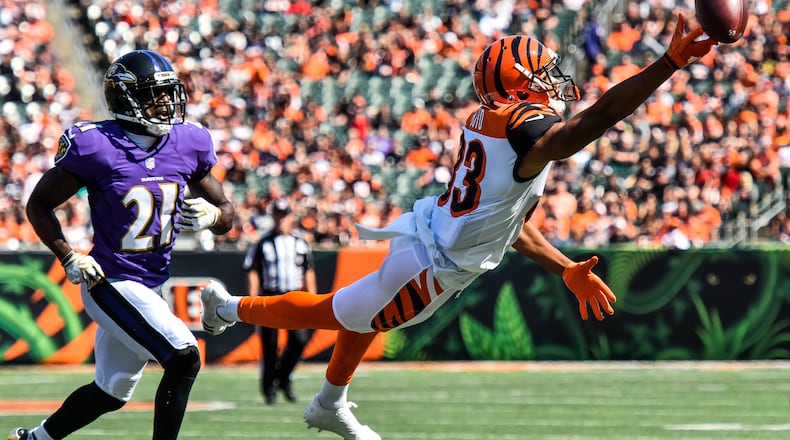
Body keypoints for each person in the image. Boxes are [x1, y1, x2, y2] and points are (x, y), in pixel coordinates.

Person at [200, 14, 714, 440]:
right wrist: (667, 64)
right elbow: (587, 126)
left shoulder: (495, 124)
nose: (554, 78)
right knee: (338, 312)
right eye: (543, 71)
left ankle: (329, 401)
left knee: (363, 312)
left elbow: (510, 225)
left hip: (432, 235)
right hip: (436, 264)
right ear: (520, 83)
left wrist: (563, 269)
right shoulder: (521, 127)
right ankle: (225, 307)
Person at [12, 50, 235, 440]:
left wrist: (216, 217)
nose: (167, 103)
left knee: (110, 391)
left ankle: (33, 439)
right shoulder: (97, 145)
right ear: (126, 99)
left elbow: (226, 211)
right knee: (183, 356)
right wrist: (68, 254)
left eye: (169, 93)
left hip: (151, 285)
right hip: (110, 281)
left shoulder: (188, 141)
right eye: (155, 95)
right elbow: (39, 204)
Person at [243, 198, 317, 405]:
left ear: (290, 217)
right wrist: (252, 301)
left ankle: (283, 376)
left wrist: (311, 299)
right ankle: (269, 389)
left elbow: (308, 271)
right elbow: (252, 271)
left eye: (284, 215)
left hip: (293, 296)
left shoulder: (300, 242)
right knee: (270, 345)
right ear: (273, 216)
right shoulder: (263, 243)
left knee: (299, 340)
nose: (281, 219)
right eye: (277, 214)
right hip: (270, 296)